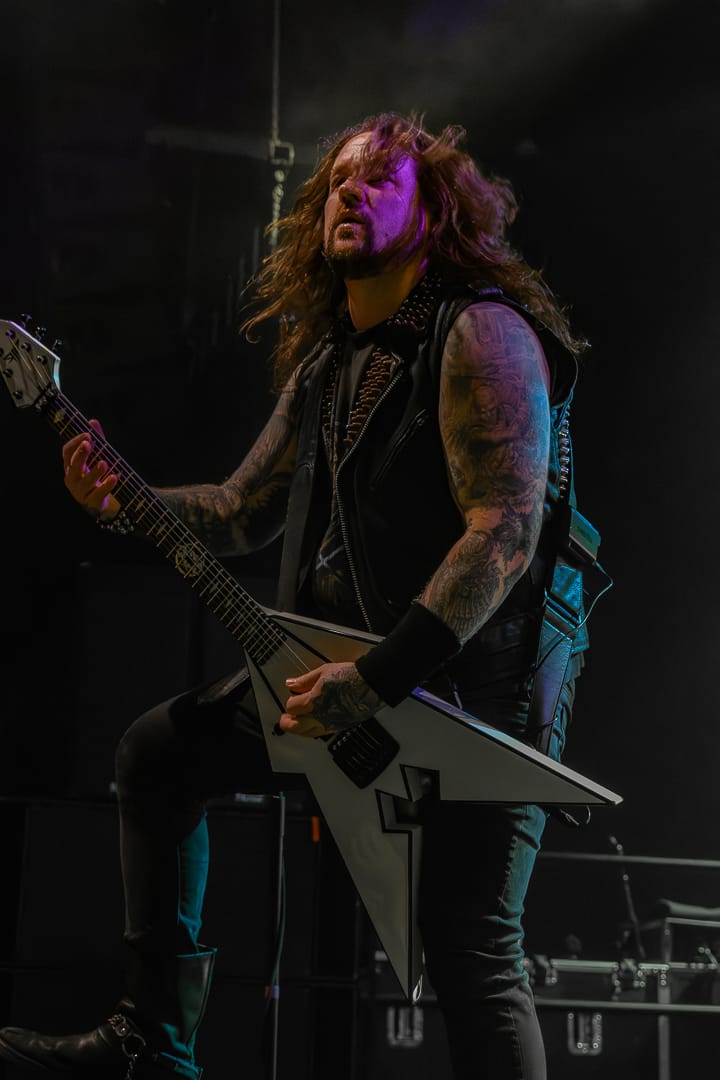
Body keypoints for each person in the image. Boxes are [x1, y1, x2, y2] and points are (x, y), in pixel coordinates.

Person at [0, 113, 599, 1079]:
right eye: (337, 183)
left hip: (472, 698)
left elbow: (505, 532)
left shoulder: (481, 329)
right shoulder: (328, 364)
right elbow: (242, 511)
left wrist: (379, 678)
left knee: (475, 954)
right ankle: (153, 1044)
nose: (349, 191)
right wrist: (120, 503)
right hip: (344, 680)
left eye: (379, 179)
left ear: (435, 211)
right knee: (157, 753)